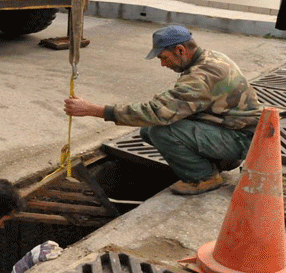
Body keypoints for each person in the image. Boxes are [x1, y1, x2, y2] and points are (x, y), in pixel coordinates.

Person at [64, 25, 262, 196]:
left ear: (180, 50)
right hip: (233, 130)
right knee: (148, 130)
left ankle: (205, 177)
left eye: (164, 57)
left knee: (161, 131)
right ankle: (221, 162)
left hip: (243, 139)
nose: (162, 64)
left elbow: (158, 112)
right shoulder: (210, 57)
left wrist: (94, 110)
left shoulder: (202, 76)